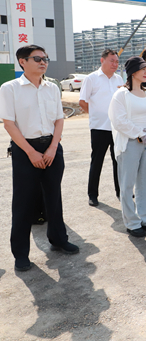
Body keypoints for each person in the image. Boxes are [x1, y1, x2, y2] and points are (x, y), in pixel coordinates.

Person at [0, 44, 79, 272]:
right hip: (26, 150)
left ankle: (58, 239)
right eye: (37, 58)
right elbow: (9, 124)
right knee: (23, 203)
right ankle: (21, 254)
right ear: (22, 62)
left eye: (45, 58)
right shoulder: (10, 88)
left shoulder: (52, 88)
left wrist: (54, 147)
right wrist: (31, 152)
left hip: (52, 147)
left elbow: (59, 119)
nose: (43, 62)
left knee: (53, 196)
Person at [108, 56, 146, 237]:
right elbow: (118, 121)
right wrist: (140, 132)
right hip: (130, 143)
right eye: (143, 69)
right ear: (132, 72)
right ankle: (132, 222)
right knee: (127, 184)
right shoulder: (121, 95)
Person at [79, 49, 124, 207]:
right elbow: (82, 101)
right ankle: (93, 194)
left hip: (117, 128)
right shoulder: (92, 78)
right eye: (112, 61)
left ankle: (120, 191)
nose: (115, 64)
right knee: (96, 161)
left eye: (117, 62)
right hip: (99, 127)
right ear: (102, 60)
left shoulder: (119, 78)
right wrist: (95, 115)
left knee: (118, 161)